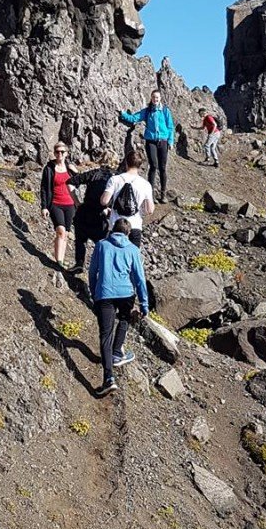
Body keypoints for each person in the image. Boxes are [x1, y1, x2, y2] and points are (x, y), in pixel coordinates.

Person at [89, 218, 149, 397]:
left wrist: (95, 294)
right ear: (128, 233)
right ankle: (117, 352)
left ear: (112, 229)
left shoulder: (101, 245)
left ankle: (109, 378)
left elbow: (92, 273)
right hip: (126, 293)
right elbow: (139, 278)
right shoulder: (132, 249)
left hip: (105, 293)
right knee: (124, 319)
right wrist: (144, 303)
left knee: (105, 334)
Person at [120, 90, 174, 203]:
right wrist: (123, 114)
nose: (156, 99)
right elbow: (135, 118)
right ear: (151, 98)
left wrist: (170, 141)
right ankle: (151, 195)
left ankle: (163, 194)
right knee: (153, 166)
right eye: (154, 97)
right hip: (150, 141)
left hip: (163, 141)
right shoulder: (147, 111)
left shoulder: (165, 110)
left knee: (163, 167)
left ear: (160, 98)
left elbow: (170, 127)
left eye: (157, 97)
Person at [67, 153, 117, 273]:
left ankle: (79, 263)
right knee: (103, 245)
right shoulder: (114, 179)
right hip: (100, 216)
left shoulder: (93, 173)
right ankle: (104, 270)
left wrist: (77, 202)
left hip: (84, 211)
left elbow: (70, 182)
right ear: (115, 164)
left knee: (80, 240)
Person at [101, 150, 155, 248]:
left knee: (113, 257)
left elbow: (104, 201)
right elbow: (150, 210)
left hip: (116, 224)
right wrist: (141, 212)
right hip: (135, 226)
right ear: (140, 164)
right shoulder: (145, 184)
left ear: (126, 162)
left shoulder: (114, 179)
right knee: (131, 258)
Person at [40, 142, 78, 268]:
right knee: (60, 231)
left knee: (66, 233)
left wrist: (76, 173)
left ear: (66, 153)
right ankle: (58, 261)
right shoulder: (49, 168)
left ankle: (61, 259)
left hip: (70, 204)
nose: (59, 154)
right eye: (57, 151)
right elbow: (44, 188)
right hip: (55, 203)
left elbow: (78, 183)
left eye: (62, 152)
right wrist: (44, 206)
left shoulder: (70, 168)